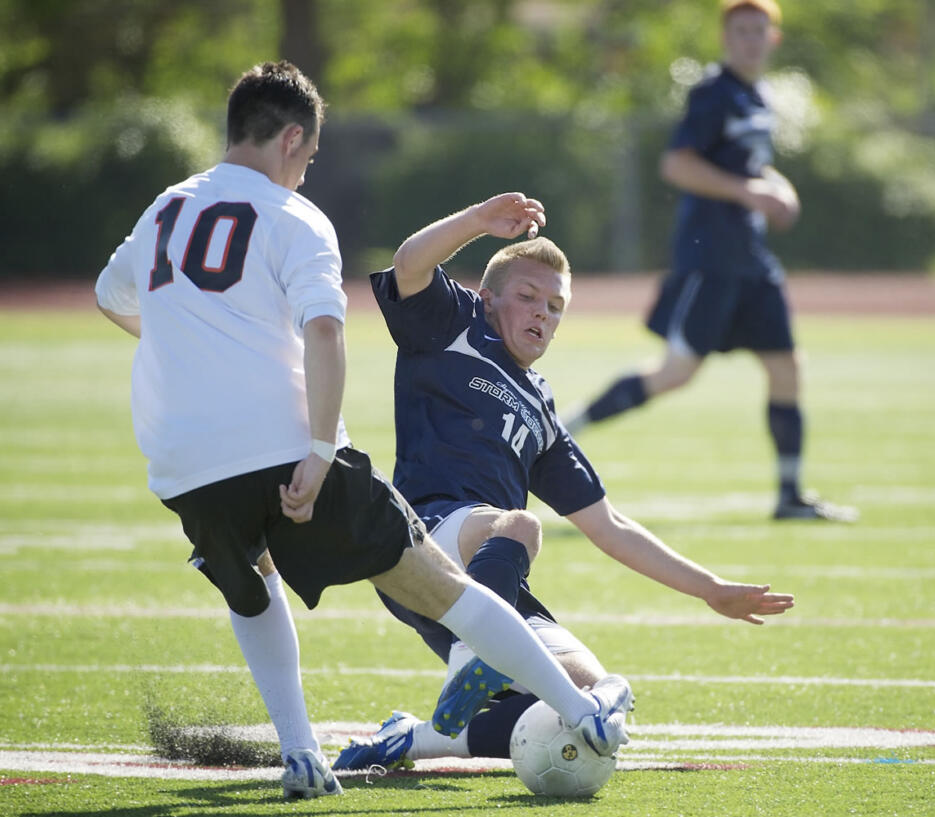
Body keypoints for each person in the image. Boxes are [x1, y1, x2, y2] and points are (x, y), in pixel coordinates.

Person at [94, 61, 632, 800]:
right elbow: (323, 331)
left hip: (180, 458)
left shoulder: (164, 210)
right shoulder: (294, 216)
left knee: (252, 587)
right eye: (308, 158)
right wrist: (318, 452)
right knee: (442, 587)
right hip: (283, 443)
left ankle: (300, 752)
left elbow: (110, 293)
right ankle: (582, 712)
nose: (306, 173)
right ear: (291, 138)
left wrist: (193, 349)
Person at [328, 192, 795, 771]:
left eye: (555, 306)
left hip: (489, 573)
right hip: (419, 541)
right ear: (488, 298)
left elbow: (610, 526)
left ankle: (413, 738)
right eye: (526, 297)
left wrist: (710, 589)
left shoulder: (540, 410)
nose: (541, 314)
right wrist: (478, 221)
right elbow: (410, 264)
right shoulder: (454, 324)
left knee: (585, 704)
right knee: (520, 525)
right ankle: (478, 656)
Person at [563, 0, 854, 523]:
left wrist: (777, 189)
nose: (750, 39)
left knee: (787, 369)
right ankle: (563, 430)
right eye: (740, 31)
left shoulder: (757, 96)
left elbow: (753, 168)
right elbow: (677, 164)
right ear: (725, 38)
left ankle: (790, 496)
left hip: (753, 260)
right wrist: (748, 192)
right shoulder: (712, 93)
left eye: (758, 30)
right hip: (712, 257)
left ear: (774, 38)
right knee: (676, 373)